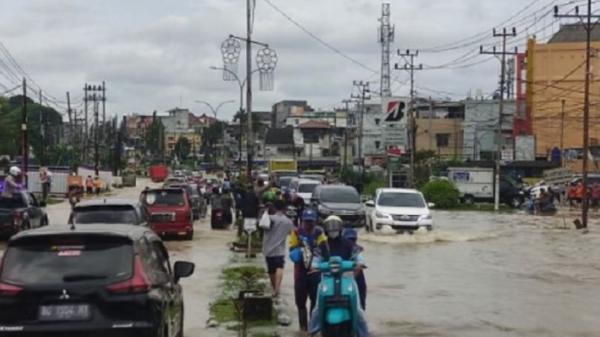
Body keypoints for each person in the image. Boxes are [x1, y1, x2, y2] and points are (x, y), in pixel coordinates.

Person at [310, 215, 368, 337]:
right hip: (327, 280)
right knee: (316, 309)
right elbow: (315, 261)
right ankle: (313, 332)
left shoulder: (349, 244)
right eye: (330, 227)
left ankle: (364, 334)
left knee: (358, 311)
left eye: (335, 226)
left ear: (341, 228)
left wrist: (359, 264)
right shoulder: (322, 246)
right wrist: (314, 266)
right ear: (325, 229)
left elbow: (359, 258)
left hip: (347, 279)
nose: (333, 230)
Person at [288, 209, 328, 331]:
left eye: (311, 222)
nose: (309, 225)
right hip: (300, 273)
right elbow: (291, 251)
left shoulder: (319, 233)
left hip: (315, 273)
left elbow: (325, 252)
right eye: (307, 222)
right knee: (300, 302)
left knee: (315, 302)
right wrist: (299, 246)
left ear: (315, 222)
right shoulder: (296, 232)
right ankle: (303, 328)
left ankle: (312, 327)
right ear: (302, 221)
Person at [262, 199, 294, 299]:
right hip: (280, 249)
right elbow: (290, 233)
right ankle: (277, 288)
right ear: (284, 208)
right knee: (279, 267)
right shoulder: (288, 221)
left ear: (274, 207)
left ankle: (275, 289)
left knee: (271, 271)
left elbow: (261, 226)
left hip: (268, 249)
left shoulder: (269, 218)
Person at [343, 228, 367, 310]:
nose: (351, 242)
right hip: (343, 280)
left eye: (352, 239)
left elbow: (361, 262)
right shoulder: (340, 251)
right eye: (348, 239)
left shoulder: (357, 251)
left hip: (356, 279)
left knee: (361, 304)